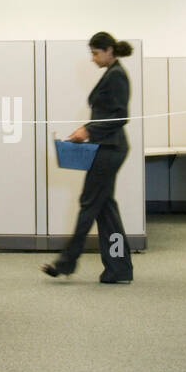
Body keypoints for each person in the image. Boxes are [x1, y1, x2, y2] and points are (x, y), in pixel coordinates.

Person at [42, 32, 135, 284]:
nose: (93, 59)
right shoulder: (113, 73)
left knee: (89, 203)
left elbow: (120, 116)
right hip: (107, 147)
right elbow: (108, 114)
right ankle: (119, 268)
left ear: (108, 51)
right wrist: (86, 130)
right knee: (105, 208)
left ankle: (67, 262)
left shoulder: (116, 75)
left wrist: (89, 130)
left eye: (95, 53)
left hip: (111, 149)